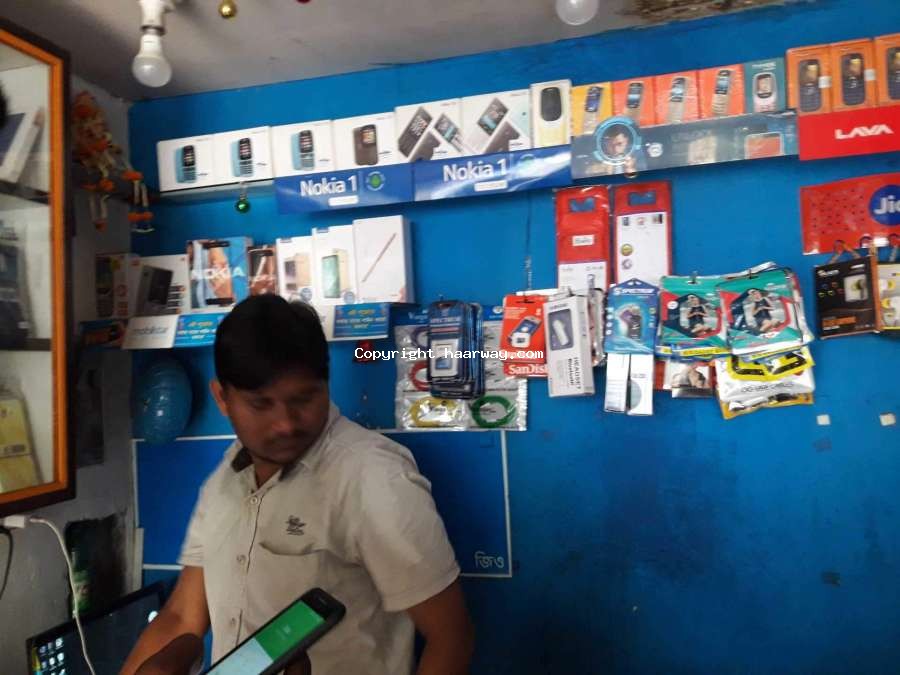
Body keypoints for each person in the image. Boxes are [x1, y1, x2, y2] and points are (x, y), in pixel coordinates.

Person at [122, 295, 474, 675]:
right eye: (261, 404)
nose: (286, 424)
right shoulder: (223, 482)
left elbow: (450, 638)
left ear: (326, 384)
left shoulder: (372, 477)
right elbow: (182, 617)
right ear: (223, 398)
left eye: (303, 398)